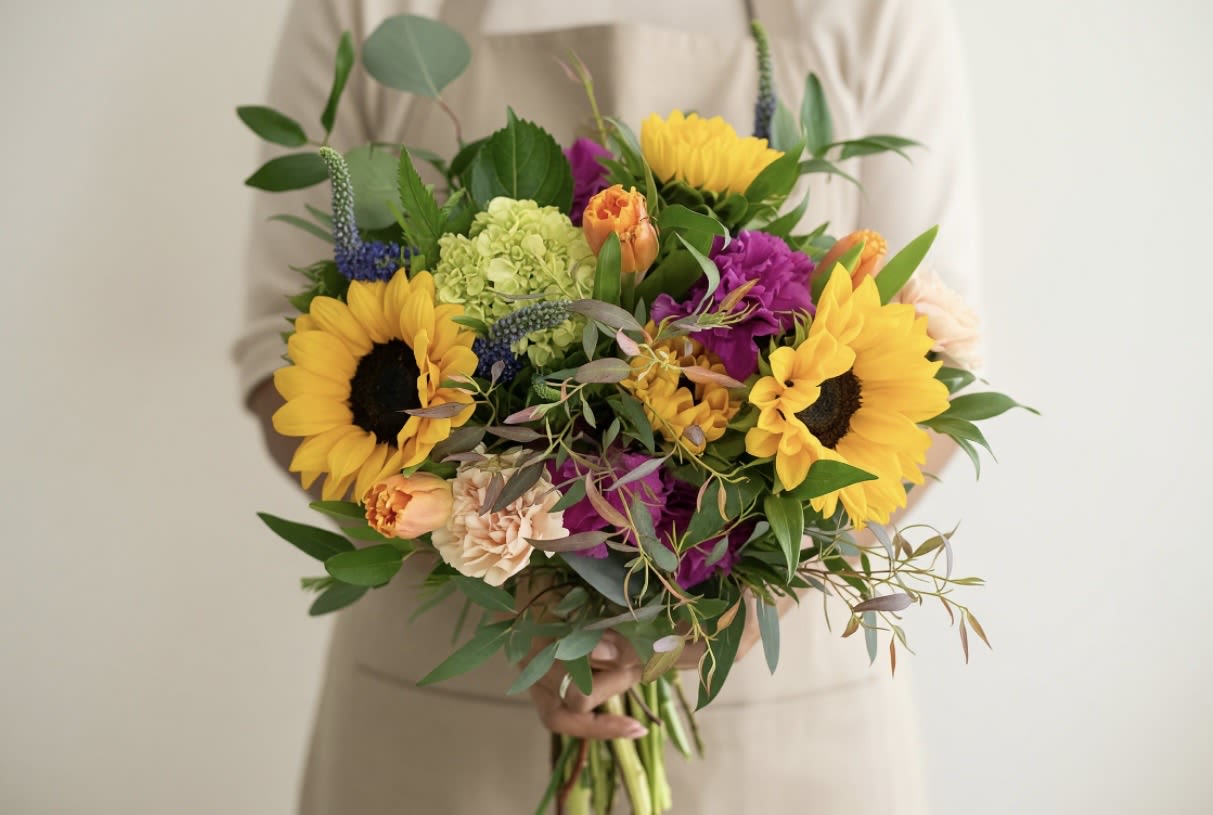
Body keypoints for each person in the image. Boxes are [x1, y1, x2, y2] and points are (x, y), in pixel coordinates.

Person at [234, 0, 979, 811]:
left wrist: (708, 607)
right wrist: (522, 586)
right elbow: (286, 365)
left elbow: (932, 365)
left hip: (776, 711)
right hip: (447, 715)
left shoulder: (875, 11)